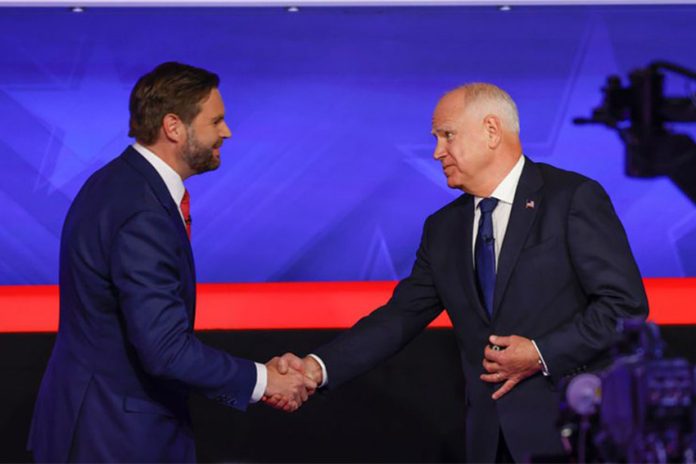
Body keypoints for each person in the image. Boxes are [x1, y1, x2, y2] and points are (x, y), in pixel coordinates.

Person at [272, 83, 649, 462]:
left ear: (491, 130)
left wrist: (539, 352)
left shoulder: (571, 198)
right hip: (488, 441)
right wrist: (316, 368)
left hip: (573, 433)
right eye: (436, 138)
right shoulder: (443, 228)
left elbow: (624, 307)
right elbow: (400, 317)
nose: (437, 151)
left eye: (447, 135)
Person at [27, 62, 315, 462]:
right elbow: (164, 349)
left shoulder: (116, 182)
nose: (226, 132)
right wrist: (264, 380)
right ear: (174, 126)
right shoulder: (141, 209)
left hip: (99, 425)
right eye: (216, 120)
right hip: (114, 437)